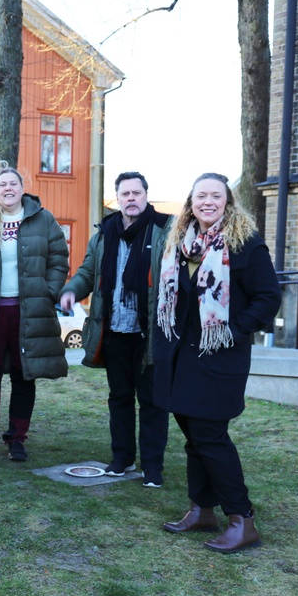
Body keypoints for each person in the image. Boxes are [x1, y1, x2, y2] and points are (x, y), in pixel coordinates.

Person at [154, 173, 281, 554]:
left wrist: (232, 331)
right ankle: (202, 509)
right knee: (194, 439)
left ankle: (242, 520)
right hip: (180, 357)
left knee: (210, 437)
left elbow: (267, 298)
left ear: (228, 201)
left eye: (215, 195)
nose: (207, 201)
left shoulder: (246, 245)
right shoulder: (181, 243)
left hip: (218, 357)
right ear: (190, 202)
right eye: (200, 196)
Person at [60, 172, 171, 487]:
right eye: (126, 194)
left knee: (152, 401)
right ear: (118, 198)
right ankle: (122, 459)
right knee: (119, 397)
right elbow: (87, 271)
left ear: (146, 196)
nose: (131, 198)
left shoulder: (164, 229)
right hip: (115, 331)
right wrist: (72, 290)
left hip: (150, 333)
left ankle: (152, 468)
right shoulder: (103, 234)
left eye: (137, 192)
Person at [0, 162, 69, 462]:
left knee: (24, 376)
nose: (8, 189)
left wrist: (48, 291)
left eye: (13, 184)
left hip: (29, 312)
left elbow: (59, 258)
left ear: (22, 188)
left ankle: (17, 439)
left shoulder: (42, 219)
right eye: (2, 184)